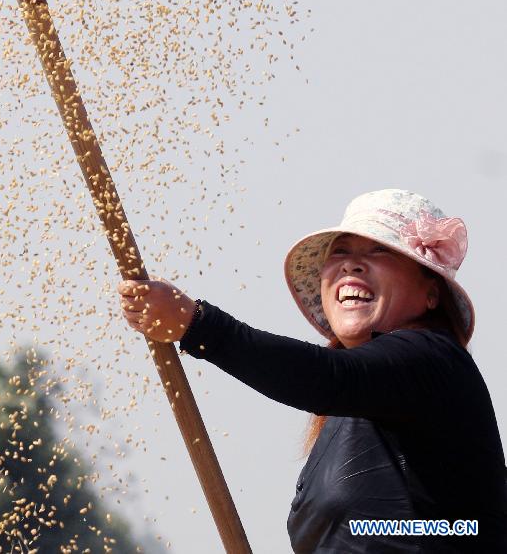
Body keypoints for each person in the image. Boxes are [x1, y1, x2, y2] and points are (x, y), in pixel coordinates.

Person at [118, 189, 507, 552]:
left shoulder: (433, 360)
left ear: (431, 293)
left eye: (378, 251)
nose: (351, 264)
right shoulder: (354, 403)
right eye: (340, 252)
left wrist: (198, 325)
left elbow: (330, 379)